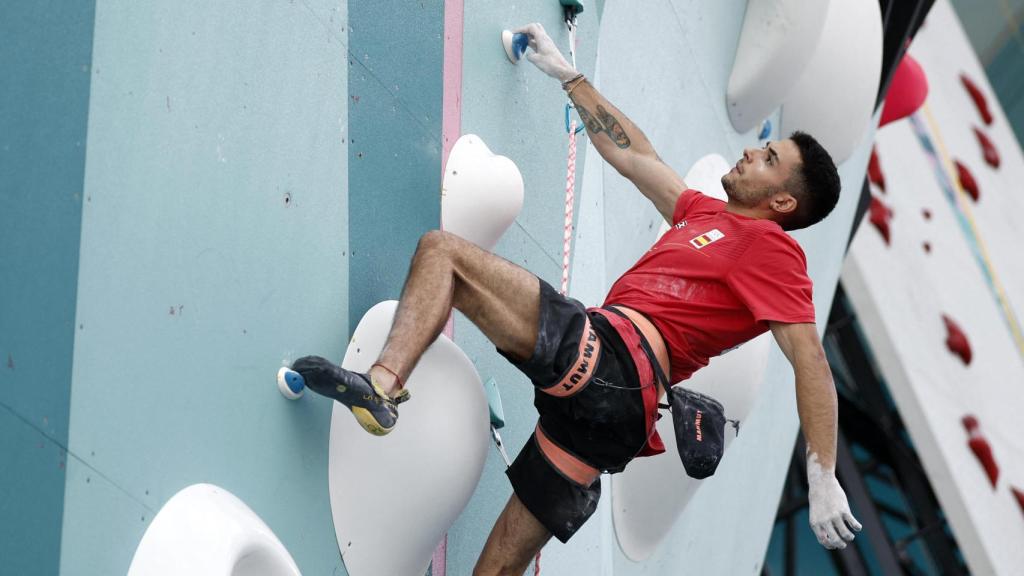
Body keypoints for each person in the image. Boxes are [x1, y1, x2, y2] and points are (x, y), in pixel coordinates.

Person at [292, 22, 861, 576]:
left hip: (611, 363)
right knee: (499, 567)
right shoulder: (707, 215)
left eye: (769, 158)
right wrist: (570, 78)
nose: (753, 152)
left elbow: (809, 359)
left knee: (444, 254)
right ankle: (383, 395)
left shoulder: (773, 251)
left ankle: (383, 389)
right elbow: (636, 156)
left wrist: (821, 472)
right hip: (613, 419)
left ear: (783, 204)